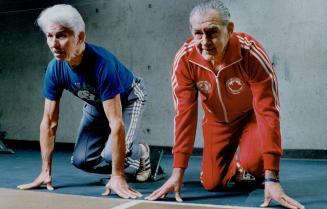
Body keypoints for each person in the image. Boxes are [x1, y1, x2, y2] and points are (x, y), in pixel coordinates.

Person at [146, 1, 304, 208]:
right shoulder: (184, 60)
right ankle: (234, 166)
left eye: (211, 32)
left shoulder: (250, 53)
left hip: (252, 118)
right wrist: (177, 173)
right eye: (198, 34)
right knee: (212, 184)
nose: (204, 42)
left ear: (229, 29)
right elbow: (184, 115)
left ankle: (247, 164)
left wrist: (272, 179)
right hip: (217, 121)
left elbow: (268, 112)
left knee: (257, 165)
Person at [17, 4, 151, 199]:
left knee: (108, 156)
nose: (54, 44)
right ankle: (131, 160)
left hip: (129, 98)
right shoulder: (55, 69)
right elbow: (49, 122)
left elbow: (116, 122)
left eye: (61, 36)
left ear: (80, 37)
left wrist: (117, 175)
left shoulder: (102, 64)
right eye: (49, 36)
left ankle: (140, 152)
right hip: (97, 104)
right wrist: (45, 171)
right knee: (82, 161)